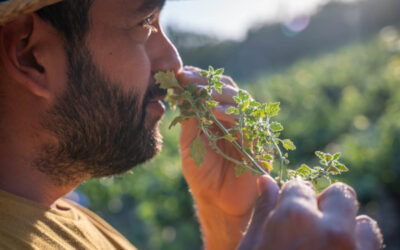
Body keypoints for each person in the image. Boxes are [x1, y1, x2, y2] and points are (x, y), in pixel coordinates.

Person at [0, 0, 383, 249]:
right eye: (144, 23)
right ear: (31, 56)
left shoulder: (55, 213)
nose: (173, 61)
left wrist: (225, 219)